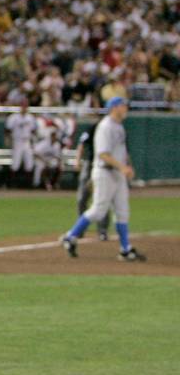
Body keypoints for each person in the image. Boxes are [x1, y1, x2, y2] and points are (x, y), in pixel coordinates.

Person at [61, 97, 145, 262]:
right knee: (98, 210)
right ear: (114, 107)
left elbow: (121, 150)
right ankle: (70, 236)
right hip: (104, 172)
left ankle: (125, 249)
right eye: (122, 105)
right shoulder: (105, 126)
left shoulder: (119, 126)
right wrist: (122, 167)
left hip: (117, 174)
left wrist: (127, 165)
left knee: (122, 211)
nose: (125, 108)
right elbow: (103, 154)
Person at [73, 115, 110, 241]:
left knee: (102, 199)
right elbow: (82, 144)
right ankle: (80, 230)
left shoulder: (113, 131)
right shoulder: (93, 127)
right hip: (90, 164)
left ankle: (102, 230)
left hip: (105, 167)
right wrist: (77, 160)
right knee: (82, 198)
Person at [4, 99, 36, 187]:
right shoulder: (14, 117)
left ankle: (28, 185)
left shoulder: (30, 118)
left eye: (26, 106)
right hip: (17, 141)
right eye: (23, 106)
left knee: (29, 163)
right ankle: (11, 184)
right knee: (15, 164)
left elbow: (33, 131)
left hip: (27, 141)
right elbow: (7, 130)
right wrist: (7, 140)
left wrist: (33, 142)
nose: (24, 108)